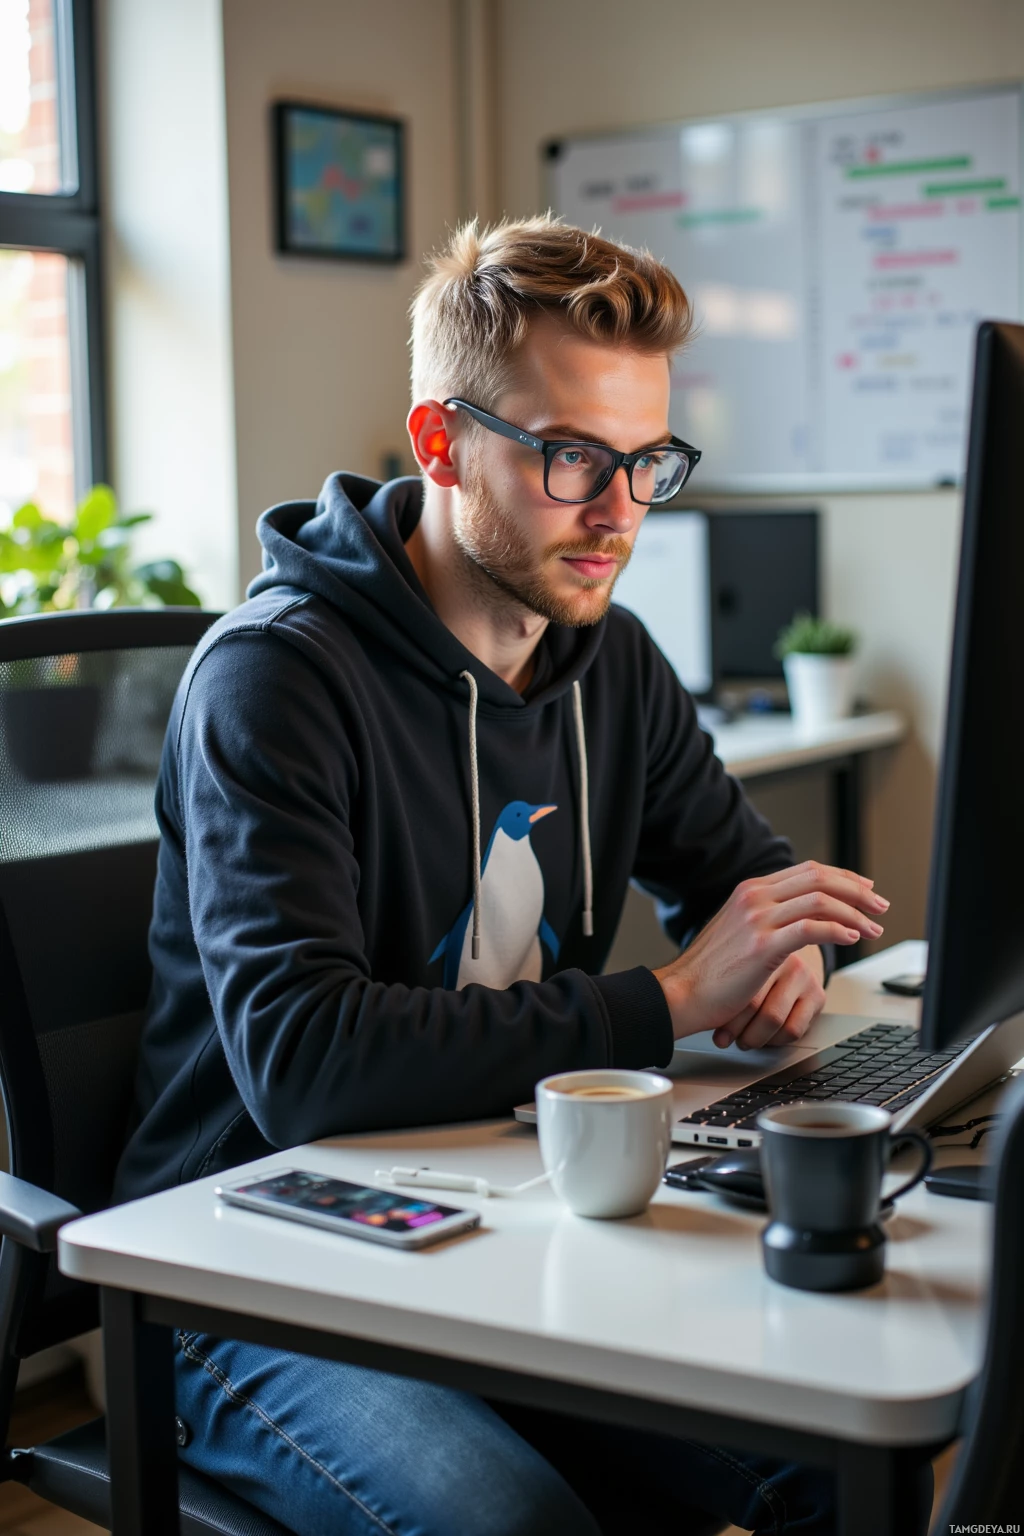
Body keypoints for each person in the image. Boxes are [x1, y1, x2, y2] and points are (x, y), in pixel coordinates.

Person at [117, 216, 909, 1536]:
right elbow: (303, 1059)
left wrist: (788, 949)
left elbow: (742, 872)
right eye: (570, 459)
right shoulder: (276, 682)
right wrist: (669, 998)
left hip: (488, 1214)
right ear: (441, 444)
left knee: (824, 1459)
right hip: (243, 1260)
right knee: (513, 1525)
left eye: (646, 462)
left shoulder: (614, 662)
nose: (618, 512)